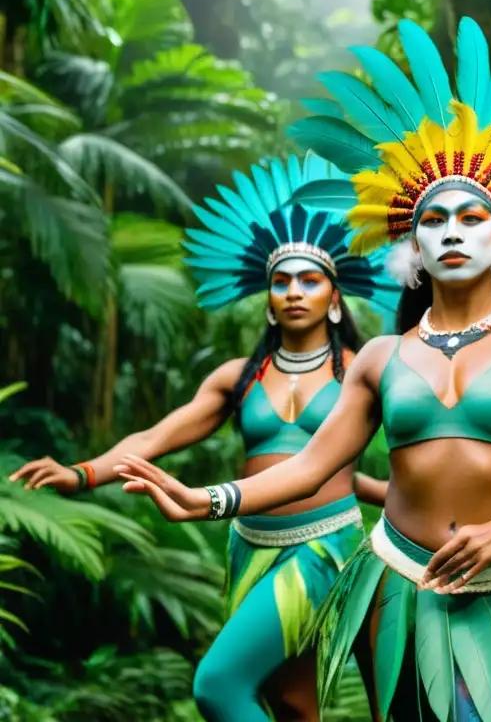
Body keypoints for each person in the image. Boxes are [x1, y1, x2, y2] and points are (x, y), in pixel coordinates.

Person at [110, 16, 491, 721]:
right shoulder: (382, 356)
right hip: (396, 583)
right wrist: (211, 499)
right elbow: (312, 465)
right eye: (432, 220)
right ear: (409, 242)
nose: (450, 232)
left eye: (470, 219)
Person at [11, 152, 400, 722]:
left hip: (322, 547)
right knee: (292, 704)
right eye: (281, 281)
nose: (294, 291)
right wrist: (82, 473)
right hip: (249, 546)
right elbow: (155, 436)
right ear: (268, 302)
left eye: (310, 280)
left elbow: (411, 447)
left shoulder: (364, 371)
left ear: (335, 299)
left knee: (218, 685)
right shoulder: (236, 378)